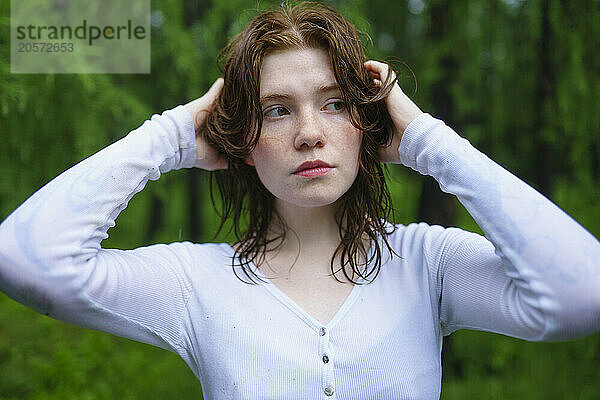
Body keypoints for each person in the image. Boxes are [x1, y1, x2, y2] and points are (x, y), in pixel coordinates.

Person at [1, 2, 599, 399]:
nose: (309, 131)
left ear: (368, 121)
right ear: (241, 138)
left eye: (335, 102)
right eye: (276, 109)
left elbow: (581, 294)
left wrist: (429, 143)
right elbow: (27, 261)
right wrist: (172, 135)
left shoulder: (428, 263)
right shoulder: (195, 283)